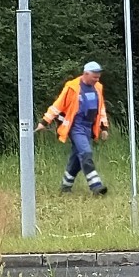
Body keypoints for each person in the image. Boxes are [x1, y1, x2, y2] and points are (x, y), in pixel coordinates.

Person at [36, 61, 109, 195]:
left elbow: (101, 108)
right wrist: (44, 121)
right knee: (86, 153)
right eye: (94, 77)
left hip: (89, 127)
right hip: (75, 126)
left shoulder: (98, 87)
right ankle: (96, 186)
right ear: (86, 74)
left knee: (77, 157)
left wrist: (104, 127)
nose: (97, 80)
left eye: (98, 77)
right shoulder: (72, 87)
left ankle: (65, 187)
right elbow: (57, 105)